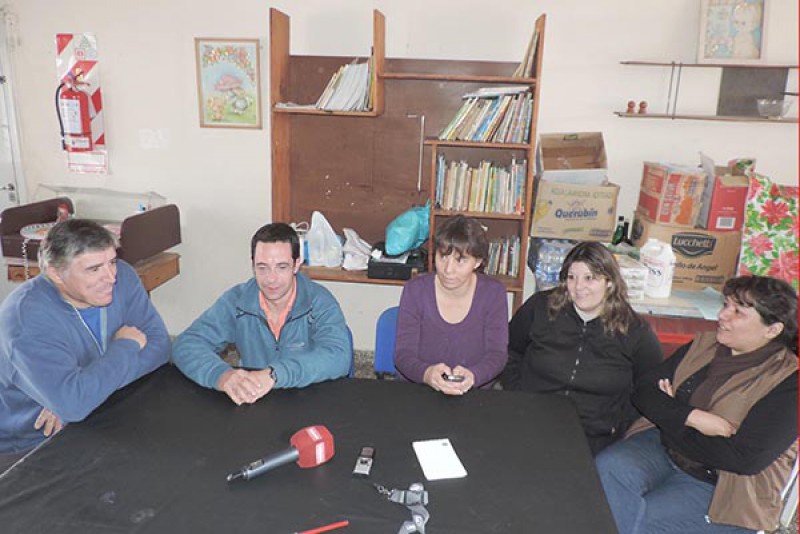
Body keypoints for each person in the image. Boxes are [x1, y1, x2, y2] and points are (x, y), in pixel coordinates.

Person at [595, 276, 798, 534]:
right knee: (607, 471)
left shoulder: (789, 382)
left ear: (772, 330)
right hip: (663, 448)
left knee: (642, 522)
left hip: (723, 484)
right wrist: (693, 417)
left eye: (738, 312)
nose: (722, 315)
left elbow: (743, 459)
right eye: (725, 305)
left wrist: (669, 415)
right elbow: (644, 392)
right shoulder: (706, 345)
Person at [0, 219, 170, 469]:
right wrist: (125, 347)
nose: (111, 277)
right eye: (94, 269)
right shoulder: (24, 319)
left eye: (112, 262)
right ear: (56, 274)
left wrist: (85, 392)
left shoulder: (124, 276)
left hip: (96, 413)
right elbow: (74, 404)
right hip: (30, 441)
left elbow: (160, 347)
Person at [502, 241, 663, 455]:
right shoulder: (540, 307)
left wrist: (619, 424)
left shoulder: (635, 330)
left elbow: (649, 386)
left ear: (609, 282)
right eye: (572, 277)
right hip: (530, 418)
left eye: (590, 278)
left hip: (593, 435)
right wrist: (517, 392)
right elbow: (508, 350)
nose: (579, 287)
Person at [173, 222, 351, 405]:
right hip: (253, 400)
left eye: (281, 267)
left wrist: (275, 375)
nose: (271, 279)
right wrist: (222, 375)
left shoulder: (319, 301)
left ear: (296, 264)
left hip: (309, 401)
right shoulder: (237, 301)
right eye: (262, 267)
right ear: (253, 265)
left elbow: (339, 357)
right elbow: (187, 344)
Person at [394, 215, 508, 395]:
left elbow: (497, 354)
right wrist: (427, 374)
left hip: (474, 393)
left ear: (478, 262)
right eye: (443, 257)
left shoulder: (493, 293)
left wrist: (474, 376)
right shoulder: (415, 290)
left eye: (460, 260)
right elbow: (403, 354)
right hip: (419, 390)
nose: (448, 270)